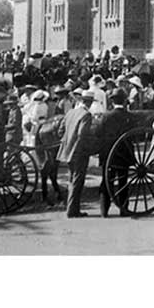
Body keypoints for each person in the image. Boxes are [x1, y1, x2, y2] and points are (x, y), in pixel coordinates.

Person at [59, 89, 94, 218]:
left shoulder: (71, 112)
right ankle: (72, 210)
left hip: (67, 151)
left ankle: (71, 208)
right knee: (77, 181)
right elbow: (82, 134)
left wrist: (67, 142)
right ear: (89, 102)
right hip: (79, 152)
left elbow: (61, 130)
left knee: (71, 180)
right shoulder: (86, 115)